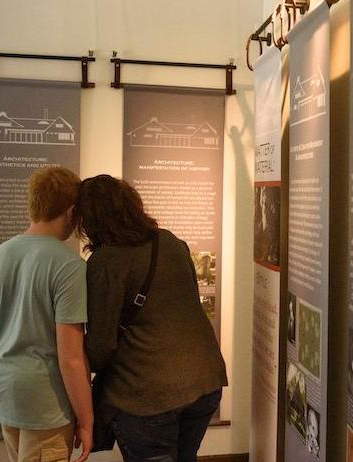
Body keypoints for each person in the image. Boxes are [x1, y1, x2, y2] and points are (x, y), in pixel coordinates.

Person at [77, 174, 228, 462]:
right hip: (205, 380)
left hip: (149, 395)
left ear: (91, 219)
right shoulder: (169, 241)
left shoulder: (105, 263)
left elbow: (100, 347)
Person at [0, 167, 93, 462]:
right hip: (45, 400)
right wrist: (87, 420)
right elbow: (70, 357)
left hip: (3, 388)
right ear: (71, 212)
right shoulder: (69, 266)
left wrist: (6, 377)